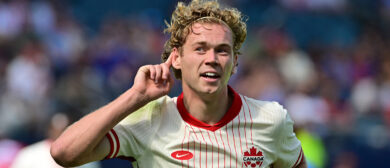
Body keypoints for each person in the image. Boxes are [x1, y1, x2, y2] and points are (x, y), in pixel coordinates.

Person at [50, 0, 307, 167]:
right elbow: (64, 153)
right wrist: (135, 95)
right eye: (200, 48)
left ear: (235, 62)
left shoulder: (271, 119)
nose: (212, 59)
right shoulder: (150, 118)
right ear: (177, 58)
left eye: (222, 50)